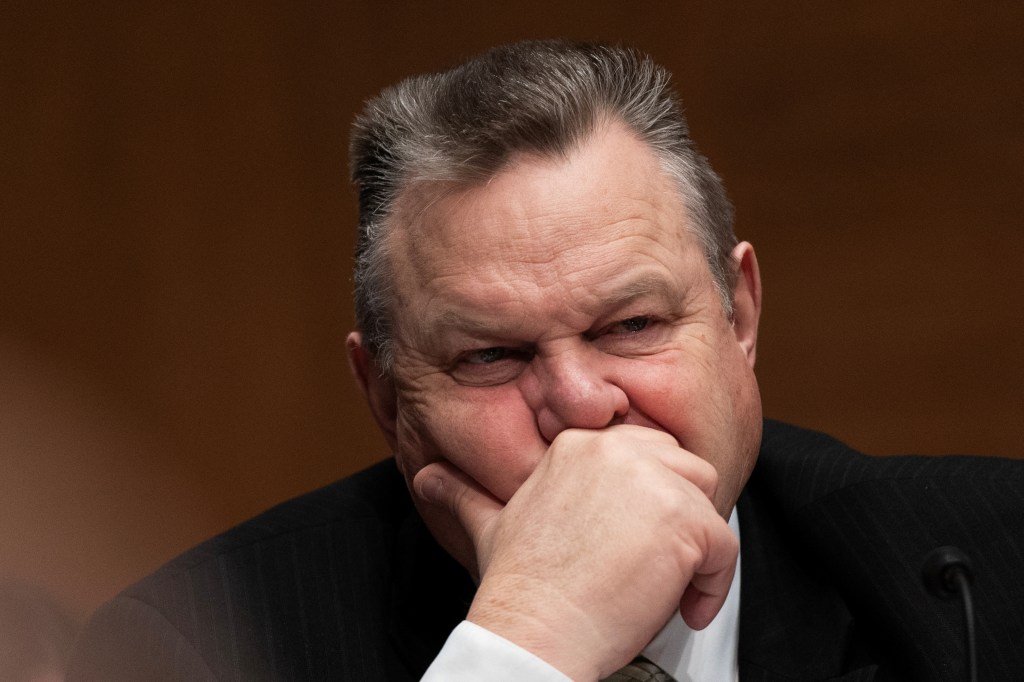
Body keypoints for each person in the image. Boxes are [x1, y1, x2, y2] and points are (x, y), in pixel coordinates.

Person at [67, 40, 1024, 682]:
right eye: (491, 355)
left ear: (738, 318)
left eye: (633, 326)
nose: (580, 403)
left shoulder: (988, 569)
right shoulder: (197, 649)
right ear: (387, 395)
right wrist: (526, 643)